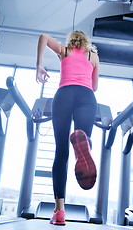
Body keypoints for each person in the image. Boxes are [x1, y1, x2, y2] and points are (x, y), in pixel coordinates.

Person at [36, 30, 99, 226]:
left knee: (61, 153)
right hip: (87, 97)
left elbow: (43, 37)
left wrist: (39, 65)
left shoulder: (64, 51)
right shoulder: (93, 56)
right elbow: (94, 86)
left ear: (71, 41)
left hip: (64, 95)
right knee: (83, 137)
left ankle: (59, 210)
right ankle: (84, 141)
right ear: (86, 43)